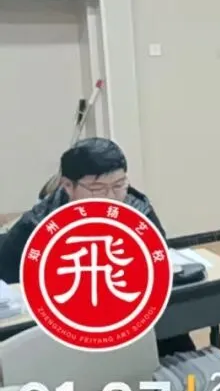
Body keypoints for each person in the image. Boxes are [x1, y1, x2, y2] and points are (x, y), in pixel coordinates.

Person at [0, 138, 192, 354]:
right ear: (68, 186)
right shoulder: (37, 224)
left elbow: (160, 259)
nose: (112, 197)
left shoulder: (138, 209)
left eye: (119, 185)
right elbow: (9, 283)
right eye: (97, 188)